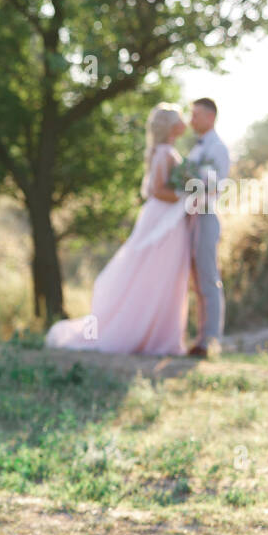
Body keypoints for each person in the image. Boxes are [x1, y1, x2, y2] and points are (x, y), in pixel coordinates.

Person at [45, 103, 192, 355]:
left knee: (162, 275)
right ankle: (149, 336)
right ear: (171, 126)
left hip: (164, 218)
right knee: (159, 274)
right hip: (163, 221)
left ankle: (159, 335)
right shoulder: (165, 153)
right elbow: (157, 190)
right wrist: (187, 192)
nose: (184, 122)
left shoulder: (163, 151)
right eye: (180, 118)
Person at [182, 97, 231, 357]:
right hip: (191, 216)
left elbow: (214, 185)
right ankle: (200, 337)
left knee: (208, 278)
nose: (192, 120)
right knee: (195, 280)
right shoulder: (198, 148)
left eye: (196, 115)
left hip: (206, 215)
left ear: (210, 117)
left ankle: (210, 340)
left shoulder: (218, 148)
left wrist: (189, 180)